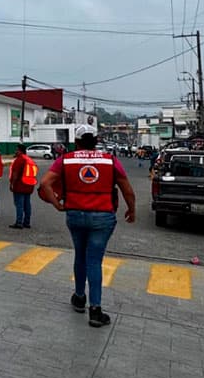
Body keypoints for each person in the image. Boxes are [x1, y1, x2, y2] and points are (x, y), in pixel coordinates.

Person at [38, 124, 136, 329]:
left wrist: (57, 205)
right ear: (96, 140)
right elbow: (127, 189)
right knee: (94, 261)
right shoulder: (110, 160)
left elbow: (45, 184)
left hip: (75, 215)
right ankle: (96, 311)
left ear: (77, 142)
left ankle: (79, 297)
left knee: (80, 255)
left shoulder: (66, 160)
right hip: (102, 217)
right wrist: (131, 209)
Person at [8, 145, 39, 229]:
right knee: (27, 204)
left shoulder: (19, 160)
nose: (15, 152)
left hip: (20, 185)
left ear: (20, 151)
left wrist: (12, 184)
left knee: (19, 205)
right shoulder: (29, 160)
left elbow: (15, 174)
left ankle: (19, 222)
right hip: (29, 185)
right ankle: (27, 222)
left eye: (16, 150)